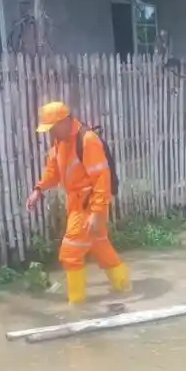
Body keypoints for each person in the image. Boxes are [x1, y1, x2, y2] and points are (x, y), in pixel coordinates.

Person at [26, 101, 131, 304]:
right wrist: (39, 189)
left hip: (88, 205)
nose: (51, 133)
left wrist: (96, 212)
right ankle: (125, 288)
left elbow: (102, 178)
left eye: (53, 128)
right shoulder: (60, 142)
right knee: (101, 248)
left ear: (65, 122)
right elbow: (53, 171)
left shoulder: (87, 140)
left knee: (70, 253)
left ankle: (76, 306)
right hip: (77, 204)